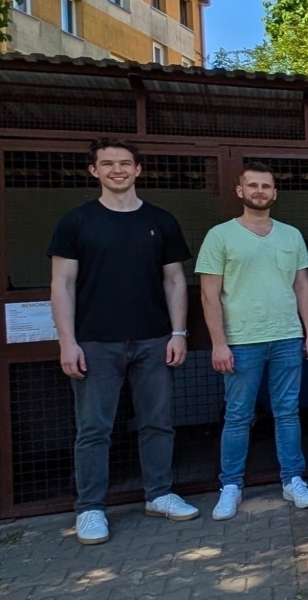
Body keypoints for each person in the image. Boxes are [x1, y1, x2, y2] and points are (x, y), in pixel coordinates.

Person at [48, 138, 198, 545]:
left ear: (138, 170)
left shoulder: (161, 220)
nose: (118, 170)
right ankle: (90, 508)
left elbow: (174, 281)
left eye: (125, 163)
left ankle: (159, 494)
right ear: (94, 171)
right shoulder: (76, 222)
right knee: (93, 429)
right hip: (95, 342)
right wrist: (67, 342)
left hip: (154, 339)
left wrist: (179, 333)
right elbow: (62, 284)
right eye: (108, 163)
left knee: (158, 422)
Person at [197, 162, 308, 521]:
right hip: (241, 341)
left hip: (287, 336)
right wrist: (219, 343)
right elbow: (209, 293)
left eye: (266, 186)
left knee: (288, 412)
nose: (259, 191)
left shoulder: (291, 235)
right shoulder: (220, 235)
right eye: (253, 185)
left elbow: (302, 286)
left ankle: (293, 479)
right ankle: (231, 486)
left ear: (274, 193)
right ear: (240, 191)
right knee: (238, 415)